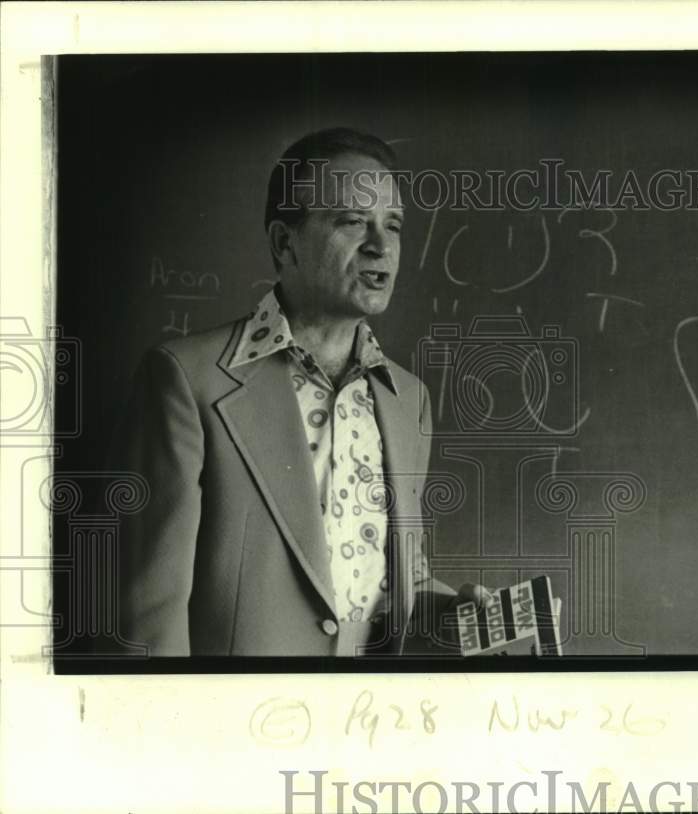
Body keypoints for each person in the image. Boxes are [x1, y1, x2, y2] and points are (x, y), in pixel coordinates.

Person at [111, 127, 485, 657]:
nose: (380, 245)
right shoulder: (185, 379)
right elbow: (150, 620)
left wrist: (454, 613)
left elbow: (393, 581)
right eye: (353, 221)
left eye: (393, 225)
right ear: (284, 243)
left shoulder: (410, 399)